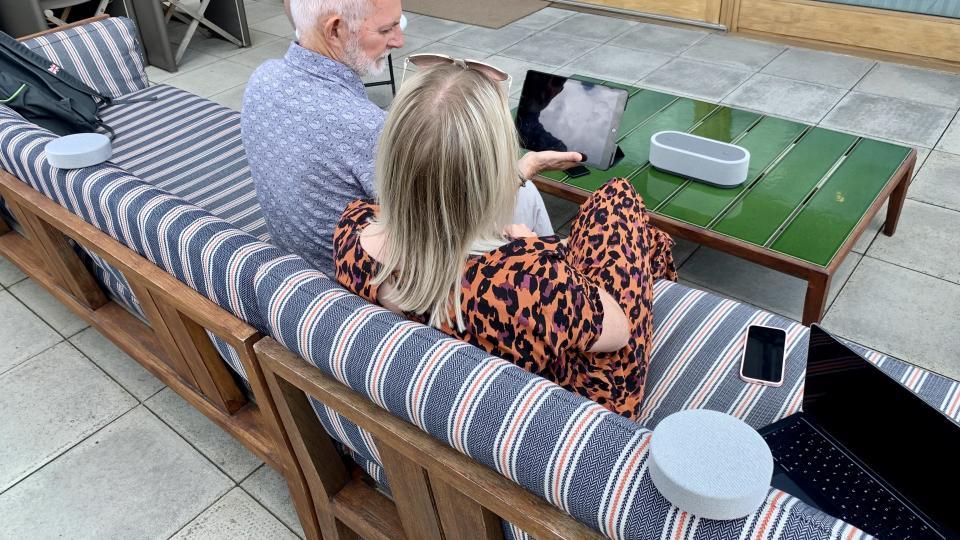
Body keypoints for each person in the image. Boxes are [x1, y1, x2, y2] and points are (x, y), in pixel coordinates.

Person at [332, 63, 677, 420]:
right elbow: (617, 332)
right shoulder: (529, 282)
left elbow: (435, 203)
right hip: (578, 404)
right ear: (491, 171)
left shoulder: (352, 231)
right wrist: (538, 253)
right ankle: (653, 255)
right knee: (618, 197)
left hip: (471, 380)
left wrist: (521, 172)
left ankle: (649, 248)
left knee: (631, 233)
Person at [242, 0, 581, 278]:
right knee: (526, 192)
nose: (398, 41)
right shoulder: (368, 129)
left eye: (398, 24)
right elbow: (452, 222)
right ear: (335, 29)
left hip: (296, 265)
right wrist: (519, 172)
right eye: (386, 29)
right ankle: (555, 281)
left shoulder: (262, 78)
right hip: (361, 288)